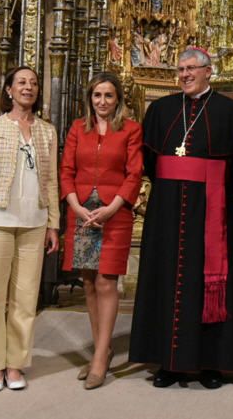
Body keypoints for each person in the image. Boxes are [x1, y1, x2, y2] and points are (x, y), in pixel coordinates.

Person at [128, 47, 233, 389]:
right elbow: (151, 162)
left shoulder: (231, 111)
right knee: (166, 277)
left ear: (209, 71)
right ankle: (168, 361)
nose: (184, 75)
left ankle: (211, 363)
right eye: (180, 69)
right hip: (166, 208)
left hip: (211, 209)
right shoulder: (160, 109)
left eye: (191, 68)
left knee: (208, 280)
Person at [0, 66, 60, 392]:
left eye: (33, 83)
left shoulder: (47, 131)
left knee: (25, 297)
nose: (28, 87)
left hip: (34, 222)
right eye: (21, 82)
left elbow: (52, 181)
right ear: (8, 90)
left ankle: (15, 364)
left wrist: (54, 224)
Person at [60, 72, 143, 389]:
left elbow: (134, 173)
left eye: (109, 95)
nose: (103, 101)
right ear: (89, 98)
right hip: (81, 211)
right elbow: (66, 170)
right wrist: (75, 205)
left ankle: (98, 360)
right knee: (88, 282)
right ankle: (102, 349)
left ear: (118, 99)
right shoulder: (78, 129)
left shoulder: (131, 130)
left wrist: (112, 207)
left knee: (107, 282)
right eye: (97, 95)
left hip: (113, 212)